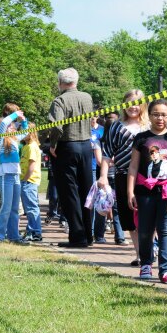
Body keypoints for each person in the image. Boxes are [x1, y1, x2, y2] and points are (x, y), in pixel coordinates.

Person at [128, 100, 167, 285]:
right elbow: (133, 167)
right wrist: (130, 192)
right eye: (156, 114)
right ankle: (146, 264)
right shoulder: (141, 138)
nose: (160, 118)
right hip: (143, 192)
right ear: (149, 115)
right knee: (145, 230)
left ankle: (166, 269)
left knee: (166, 230)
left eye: (164, 115)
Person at [47, 67, 95, 248]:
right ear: (77, 81)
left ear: (60, 82)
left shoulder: (59, 101)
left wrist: (52, 145)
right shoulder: (87, 97)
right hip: (86, 146)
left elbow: (57, 126)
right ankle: (88, 235)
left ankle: (77, 236)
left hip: (67, 146)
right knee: (86, 191)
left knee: (69, 193)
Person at [99, 89, 149, 262]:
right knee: (129, 217)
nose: (133, 107)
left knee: (149, 215)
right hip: (122, 175)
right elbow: (107, 152)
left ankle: (150, 247)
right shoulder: (116, 126)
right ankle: (140, 254)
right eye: (129, 103)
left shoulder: (148, 126)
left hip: (148, 178)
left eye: (137, 103)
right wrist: (103, 176)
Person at [0, 106, 29, 244]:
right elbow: (5, 122)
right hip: (5, 175)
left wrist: (23, 120)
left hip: (15, 175)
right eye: (11, 127)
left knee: (14, 208)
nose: (13, 128)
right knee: (6, 206)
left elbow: (25, 133)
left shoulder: (14, 139)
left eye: (14, 127)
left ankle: (14, 236)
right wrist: (14, 115)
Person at [19, 125, 43, 242]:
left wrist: (26, 178)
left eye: (23, 132)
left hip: (29, 181)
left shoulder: (32, 147)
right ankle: (30, 230)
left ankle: (36, 232)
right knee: (28, 208)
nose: (21, 134)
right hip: (25, 181)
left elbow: (32, 165)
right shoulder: (26, 147)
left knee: (32, 207)